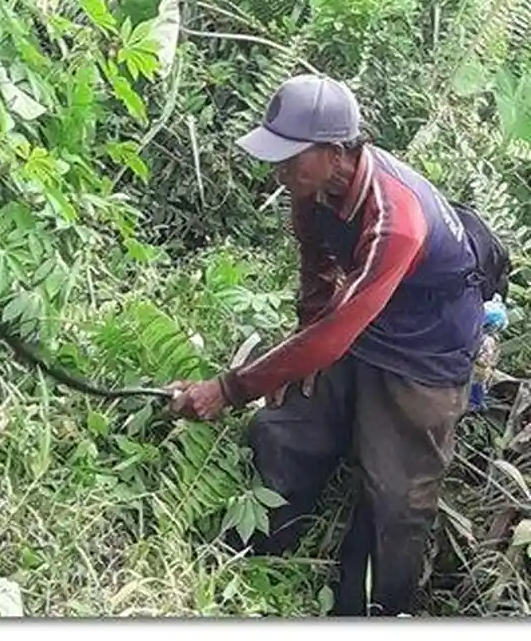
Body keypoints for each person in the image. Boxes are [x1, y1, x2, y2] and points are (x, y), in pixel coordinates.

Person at [167, 74, 485, 616]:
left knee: (395, 498)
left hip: (426, 352)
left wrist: (228, 388)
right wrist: (300, 355)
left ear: (337, 152)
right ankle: (254, 555)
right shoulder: (310, 192)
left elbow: (336, 334)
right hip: (366, 322)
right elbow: (318, 279)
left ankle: (382, 612)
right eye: (278, 156)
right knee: (287, 430)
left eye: (293, 157)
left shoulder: (396, 220)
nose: (281, 169)